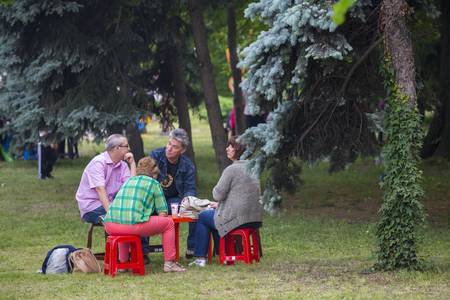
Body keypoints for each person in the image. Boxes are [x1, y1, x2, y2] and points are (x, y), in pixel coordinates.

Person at [189, 136, 263, 267]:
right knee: (214, 215)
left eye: (231, 146)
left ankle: (201, 258)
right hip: (254, 218)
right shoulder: (253, 167)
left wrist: (219, 201)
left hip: (238, 219)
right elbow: (244, 195)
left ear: (238, 150)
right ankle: (222, 251)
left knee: (204, 216)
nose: (227, 148)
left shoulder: (231, 169)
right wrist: (221, 205)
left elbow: (217, 194)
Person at [103, 157, 186, 273]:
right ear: (154, 172)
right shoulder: (154, 183)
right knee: (168, 223)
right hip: (132, 225)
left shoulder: (129, 181)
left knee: (124, 221)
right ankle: (170, 263)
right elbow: (163, 212)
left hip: (110, 225)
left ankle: (124, 263)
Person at [149, 128, 197, 259]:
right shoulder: (155, 156)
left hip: (173, 201)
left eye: (174, 147)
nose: (169, 148)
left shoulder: (188, 165)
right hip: (152, 199)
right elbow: (145, 179)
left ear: (182, 150)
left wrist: (187, 201)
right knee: (142, 210)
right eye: (169, 144)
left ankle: (192, 248)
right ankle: (142, 252)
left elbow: (190, 189)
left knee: (193, 207)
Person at [75, 134, 136, 225]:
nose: (129, 149)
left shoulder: (123, 165)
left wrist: (132, 164)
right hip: (92, 207)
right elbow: (100, 190)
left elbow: (132, 188)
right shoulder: (98, 163)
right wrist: (111, 213)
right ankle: (107, 219)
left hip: (111, 204)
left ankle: (109, 220)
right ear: (117, 148)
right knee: (127, 218)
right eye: (126, 146)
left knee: (138, 216)